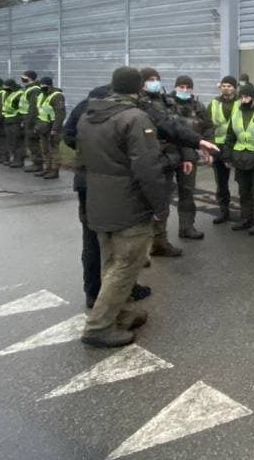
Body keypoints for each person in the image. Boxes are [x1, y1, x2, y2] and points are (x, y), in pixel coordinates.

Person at [77, 67, 173, 348]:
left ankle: (121, 313)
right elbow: (147, 166)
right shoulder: (135, 118)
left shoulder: (89, 115)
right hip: (128, 204)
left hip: (98, 201)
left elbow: (81, 159)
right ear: (139, 87)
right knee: (125, 265)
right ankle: (98, 326)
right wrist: (159, 205)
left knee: (111, 262)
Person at [64, 85, 151, 311]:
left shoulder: (89, 107)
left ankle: (112, 290)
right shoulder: (105, 108)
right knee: (105, 240)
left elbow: (68, 135)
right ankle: (99, 292)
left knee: (108, 241)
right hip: (104, 184)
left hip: (92, 181)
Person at [138, 67, 189, 258]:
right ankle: (141, 250)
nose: (154, 82)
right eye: (150, 79)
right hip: (148, 159)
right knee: (144, 206)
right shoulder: (138, 103)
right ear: (141, 83)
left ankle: (159, 242)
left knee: (163, 203)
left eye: (156, 79)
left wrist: (186, 157)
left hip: (169, 159)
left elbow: (178, 129)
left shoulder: (166, 101)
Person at [165, 75, 211, 241]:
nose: (184, 90)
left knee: (187, 192)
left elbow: (207, 128)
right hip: (169, 155)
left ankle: (187, 227)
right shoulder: (166, 104)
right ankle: (158, 235)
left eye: (188, 87)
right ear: (175, 87)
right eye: (181, 87)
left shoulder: (198, 106)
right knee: (164, 194)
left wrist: (206, 146)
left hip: (190, 156)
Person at [229, 82, 254, 233]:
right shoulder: (236, 111)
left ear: (252, 96)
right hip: (240, 158)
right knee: (243, 191)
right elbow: (230, 134)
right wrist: (228, 157)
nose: (243, 100)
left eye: (246, 97)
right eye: (241, 97)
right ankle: (246, 218)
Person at [208, 76, 238, 224]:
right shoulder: (214, 103)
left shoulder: (241, 102)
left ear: (235, 88)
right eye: (224, 85)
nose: (226, 88)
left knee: (244, 183)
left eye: (230, 86)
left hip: (237, 146)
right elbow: (207, 125)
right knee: (221, 183)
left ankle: (248, 214)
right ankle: (223, 211)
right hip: (218, 147)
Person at [34, 76, 64, 180]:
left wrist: (55, 129)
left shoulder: (57, 96)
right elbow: (40, 112)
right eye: (41, 85)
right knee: (45, 149)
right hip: (42, 126)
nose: (42, 87)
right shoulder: (41, 95)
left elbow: (60, 114)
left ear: (50, 85)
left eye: (44, 85)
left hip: (52, 126)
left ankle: (54, 170)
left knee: (54, 149)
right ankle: (47, 168)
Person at [17, 70, 46, 173]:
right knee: (29, 142)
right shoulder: (28, 89)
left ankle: (38, 164)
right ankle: (35, 162)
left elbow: (33, 108)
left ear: (29, 77)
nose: (22, 78)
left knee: (33, 142)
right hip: (27, 119)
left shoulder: (34, 90)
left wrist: (28, 122)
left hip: (32, 120)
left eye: (24, 76)